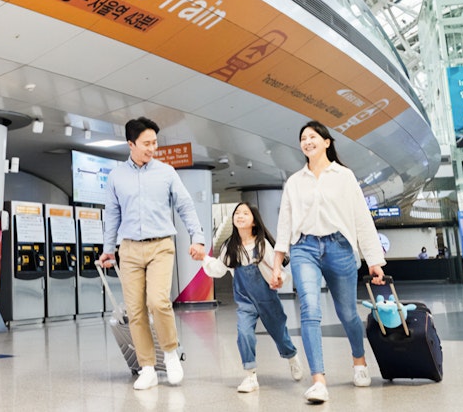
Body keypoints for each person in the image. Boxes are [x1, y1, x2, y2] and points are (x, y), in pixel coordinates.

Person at [271, 120, 386, 404]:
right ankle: (318, 381)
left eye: (313, 136)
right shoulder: (294, 181)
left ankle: (359, 361)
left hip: (339, 247)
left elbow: (361, 218)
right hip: (304, 248)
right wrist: (276, 264)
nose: (307, 141)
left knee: (347, 312)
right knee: (309, 309)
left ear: (327, 142)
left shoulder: (344, 176)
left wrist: (374, 260)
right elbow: (284, 223)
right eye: (303, 138)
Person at [100, 117, 207, 390]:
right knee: (135, 310)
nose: (152, 148)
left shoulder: (166, 172)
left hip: (161, 245)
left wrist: (198, 237)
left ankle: (170, 353)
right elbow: (112, 215)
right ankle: (147, 367)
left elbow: (185, 205)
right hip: (129, 249)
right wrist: (108, 250)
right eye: (146, 143)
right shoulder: (116, 176)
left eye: (154, 142)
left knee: (158, 302)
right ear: (131, 144)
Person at [202, 202, 305, 392]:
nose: (240, 216)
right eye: (237, 213)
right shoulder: (230, 246)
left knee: (279, 333)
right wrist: (204, 258)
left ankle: (291, 357)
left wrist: (279, 279)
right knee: (244, 333)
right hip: (245, 301)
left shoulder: (262, 244)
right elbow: (218, 269)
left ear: (254, 222)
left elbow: (277, 270)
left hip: (267, 299)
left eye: (245, 213)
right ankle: (250, 376)